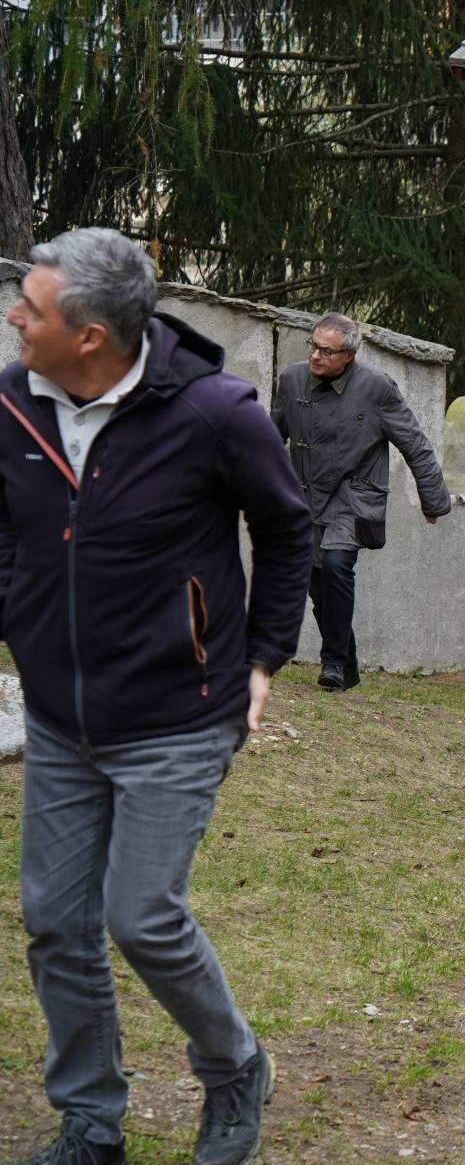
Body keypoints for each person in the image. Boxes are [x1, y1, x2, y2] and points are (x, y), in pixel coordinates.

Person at [3, 227, 313, 1165]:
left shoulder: (214, 413)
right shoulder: (13, 402)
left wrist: (261, 658)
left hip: (180, 712)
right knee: (57, 922)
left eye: (32, 308)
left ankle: (233, 1068)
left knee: (139, 915)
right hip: (60, 715)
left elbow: (287, 527)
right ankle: (91, 1121)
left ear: (91, 335)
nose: (15, 316)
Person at [272, 311, 450, 692]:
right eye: (313, 346)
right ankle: (348, 662)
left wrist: (432, 500)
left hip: (353, 494)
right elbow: (271, 436)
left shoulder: (376, 389)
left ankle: (332, 661)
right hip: (304, 492)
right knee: (314, 581)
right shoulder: (291, 380)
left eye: (326, 351)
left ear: (348, 356)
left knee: (336, 565)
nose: (315, 356)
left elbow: (414, 443)